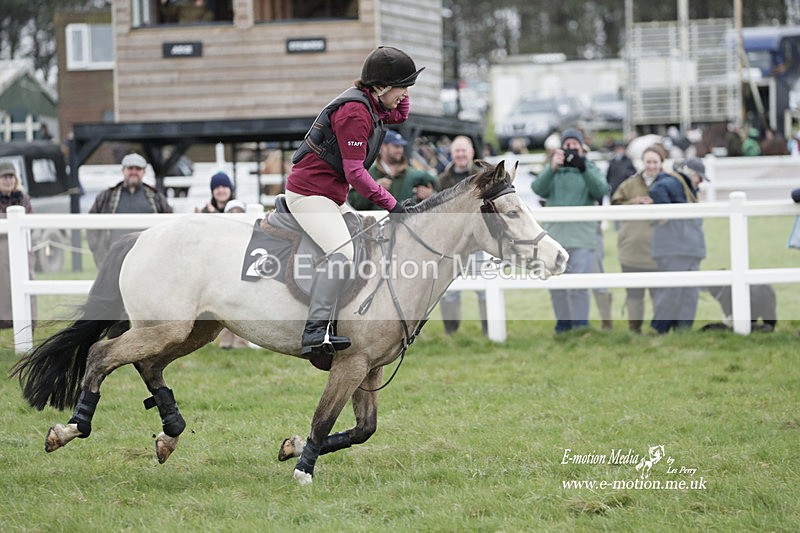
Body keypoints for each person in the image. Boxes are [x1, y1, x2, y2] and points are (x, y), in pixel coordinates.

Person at [284, 46, 423, 358]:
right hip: (309, 195)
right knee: (342, 253)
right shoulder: (356, 112)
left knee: (364, 245)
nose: (404, 94)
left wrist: (406, 83)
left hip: (329, 196)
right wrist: (392, 204)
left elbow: (400, 114)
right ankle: (315, 333)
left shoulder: (373, 104)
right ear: (382, 87)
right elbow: (355, 173)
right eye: (402, 87)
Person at [531, 128, 609, 333]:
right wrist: (552, 167)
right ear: (562, 147)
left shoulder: (590, 168)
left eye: (575, 145)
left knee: (579, 286)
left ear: (582, 146)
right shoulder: (554, 170)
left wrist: (583, 168)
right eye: (568, 145)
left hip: (582, 237)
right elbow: (538, 188)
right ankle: (563, 324)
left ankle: (580, 325)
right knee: (557, 286)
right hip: (555, 237)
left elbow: (600, 190)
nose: (571, 148)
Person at [648, 157, 707, 334]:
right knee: (672, 292)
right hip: (675, 247)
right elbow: (657, 190)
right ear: (693, 175)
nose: (700, 183)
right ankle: (660, 330)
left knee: (688, 293)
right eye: (700, 178)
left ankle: (682, 331)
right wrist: (669, 214)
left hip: (686, 247)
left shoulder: (682, 187)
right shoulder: (674, 182)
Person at [611, 145, 665, 333]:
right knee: (634, 294)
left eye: (655, 162)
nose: (651, 166)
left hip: (658, 249)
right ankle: (634, 329)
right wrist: (633, 202)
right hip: (631, 249)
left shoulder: (668, 182)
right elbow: (615, 203)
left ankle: (659, 329)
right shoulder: (630, 184)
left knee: (658, 293)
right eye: (648, 162)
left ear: (661, 163)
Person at [436, 135, 487, 335]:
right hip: (452, 244)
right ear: (452, 154)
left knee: (484, 288)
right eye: (457, 151)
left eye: (464, 150)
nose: (460, 154)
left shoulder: (483, 177)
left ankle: (489, 329)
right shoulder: (442, 180)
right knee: (450, 291)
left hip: (476, 242)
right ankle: (451, 332)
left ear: (471, 153)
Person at [87, 153, 173, 267]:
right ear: (123, 170)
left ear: (143, 172)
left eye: (138, 169)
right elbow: (91, 222)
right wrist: (96, 248)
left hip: (148, 258)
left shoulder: (156, 197)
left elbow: (170, 223)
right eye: (130, 168)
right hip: (114, 257)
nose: (134, 172)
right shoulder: (106, 196)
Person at [347, 129, 437, 210]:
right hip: (376, 225)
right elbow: (354, 202)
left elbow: (436, 182)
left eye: (401, 146)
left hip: (403, 224)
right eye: (396, 146)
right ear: (383, 147)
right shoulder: (369, 173)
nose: (400, 150)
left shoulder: (411, 174)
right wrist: (374, 188)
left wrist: (430, 194)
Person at [0, 161, 37, 329]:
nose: (8, 180)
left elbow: (30, 223)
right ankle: (6, 319)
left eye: (11, 177)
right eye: (4, 177)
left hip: (22, 246)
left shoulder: (23, 198)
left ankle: (30, 318)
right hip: (2, 246)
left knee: (27, 278)